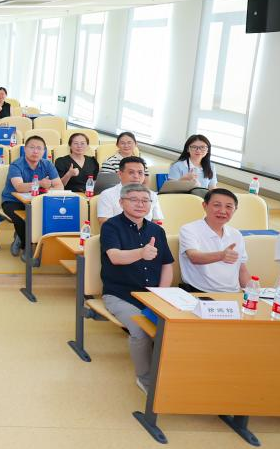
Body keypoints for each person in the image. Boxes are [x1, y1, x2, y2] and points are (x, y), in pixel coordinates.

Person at [99, 183, 175, 392]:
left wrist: (162, 293)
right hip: (121, 294)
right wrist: (141, 253)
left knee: (178, 326)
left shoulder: (157, 230)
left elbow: (167, 264)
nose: (140, 204)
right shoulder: (111, 226)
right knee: (140, 330)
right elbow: (115, 257)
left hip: (153, 294)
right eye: (134, 200)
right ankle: (145, 378)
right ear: (121, 202)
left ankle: (171, 373)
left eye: (145, 201)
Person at [178, 189, 251, 293]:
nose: (222, 211)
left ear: (235, 210)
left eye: (229, 207)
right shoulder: (189, 229)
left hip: (233, 294)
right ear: (205, 206)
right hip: (200, 292)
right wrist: (221, 255)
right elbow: (194, 257)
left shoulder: (236, 234)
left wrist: (252, 293)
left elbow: (242, 269)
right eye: (217, 205)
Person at [3, 135, 62, 257]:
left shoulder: (48, 164)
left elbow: (59, 186)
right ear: (25, 149)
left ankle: (22, 238)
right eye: (32, 147)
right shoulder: (16, 165)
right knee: (22, 220)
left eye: (39, 148)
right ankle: (27, 247)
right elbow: (19, 187)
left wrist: (45, 190)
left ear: (44, 151)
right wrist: (40, 183)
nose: (35, 151)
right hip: (13, 201)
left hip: (37, 201)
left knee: (52, 216)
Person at [96, 156, 165, 224]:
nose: (136, 176)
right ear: (120, 174)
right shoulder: (107, 195)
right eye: (131, 172)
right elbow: (105, 222)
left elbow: (157, 220)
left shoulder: (152, 195)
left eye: (140, 173)